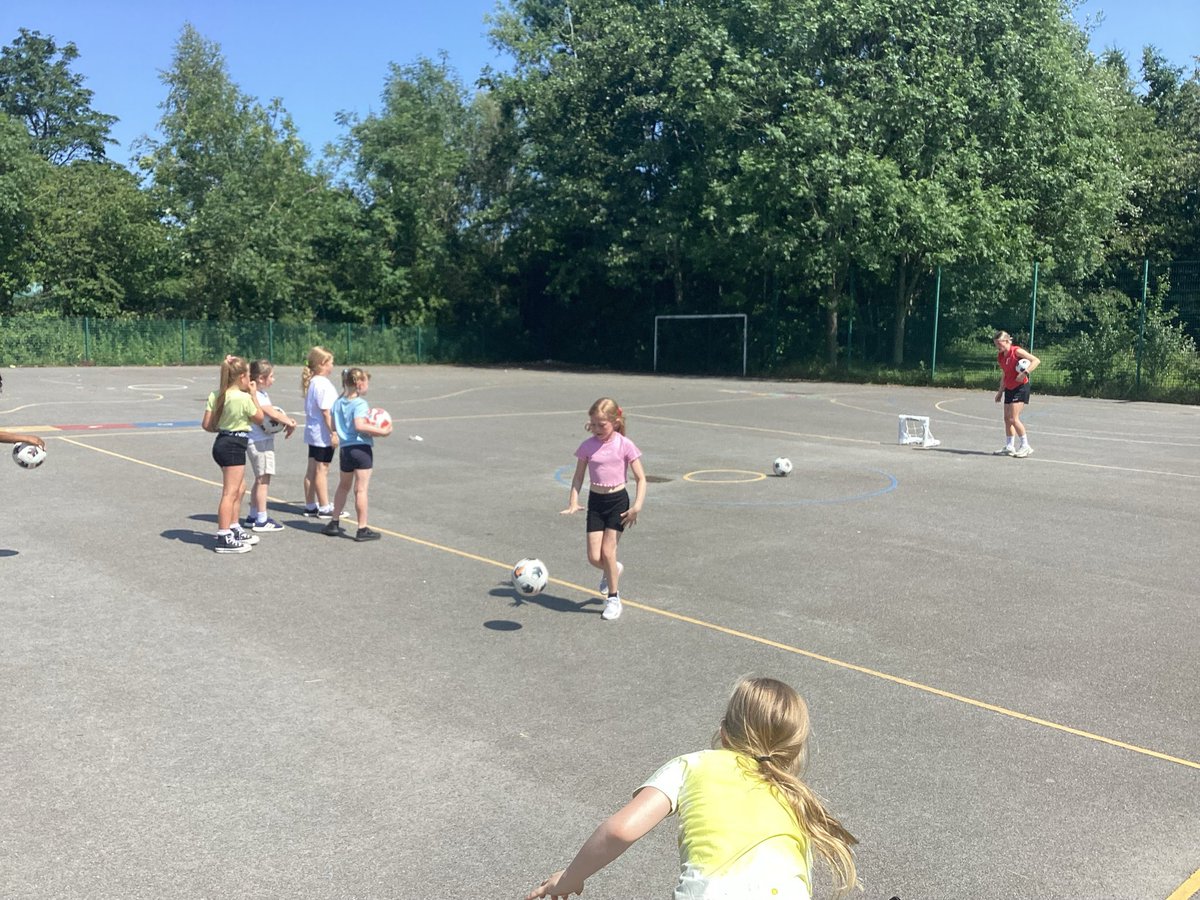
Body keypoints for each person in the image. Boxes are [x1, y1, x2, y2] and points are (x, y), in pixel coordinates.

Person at [526, 677, 859, 900]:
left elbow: (619, 830)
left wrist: (570, 878)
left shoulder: (693, 765)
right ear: (795, 749)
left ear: (725, 731)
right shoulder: (799, 802)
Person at [561, 398, 646, 621]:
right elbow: (579, 476)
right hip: (596, 502)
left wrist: (637, 506)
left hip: (618, 501)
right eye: (594, 424)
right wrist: (573, 500)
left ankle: (614, 598)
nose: (597, 429)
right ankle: (613, 570)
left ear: (615, 423)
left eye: (602, 425)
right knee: (593, 557)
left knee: (608, 552)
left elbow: (641, 478)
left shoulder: (624, 444)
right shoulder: (587, 446)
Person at [202, 356, 265, 554]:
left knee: (240, 487)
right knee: (230, 492)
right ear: (241, 377)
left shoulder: (217, 394)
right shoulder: (243, 397)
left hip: (222, 442)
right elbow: (260, 418)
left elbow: (207, 424)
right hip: (235, 445)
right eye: (248, 377)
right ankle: (223, 536)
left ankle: (234, 527)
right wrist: (254, 394)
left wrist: (224, 429)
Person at [322, 367, 392, 542]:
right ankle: (362, 528)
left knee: (343, 486)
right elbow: (359, 426)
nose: (368, 386)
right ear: (360, 384)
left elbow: (333, 425)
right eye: (367, 382)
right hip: (361, 449)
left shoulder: (338, 403)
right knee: (360, 489)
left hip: (345, 450)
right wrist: (381, 431)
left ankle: (334, 522)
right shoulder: (360, 403)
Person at [240, 359, 297, 533]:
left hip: (258, 439)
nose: (274, 379)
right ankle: (262, 520)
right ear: (262, 378)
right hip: (259, 441)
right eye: (271, 376)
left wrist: (284, 421)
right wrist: (289, 422)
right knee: (264, 479)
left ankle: (253, 515)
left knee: (260, 478)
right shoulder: (256, 393)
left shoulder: (258, 392)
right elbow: (270, 412)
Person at [301, 346, 340, 518]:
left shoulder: (313, 382)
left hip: (313, 432)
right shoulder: (323, 384)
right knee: (322, 469)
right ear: (323, 364)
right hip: (322, 433)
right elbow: (326, 411)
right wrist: (334, 432)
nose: (333, 365)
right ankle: (324, 507)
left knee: (312, 469)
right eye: (331, 362)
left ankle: (310, 504)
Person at [992, 330, 1041, 458]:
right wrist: (1000, 392)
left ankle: (1026, 446)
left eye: (999, 343)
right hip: (1009, 388)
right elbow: (1005, 374)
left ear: (1007, 341)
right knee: (1007, 419)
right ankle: (1009, 446)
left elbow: (1036, 360)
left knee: (1014, 418)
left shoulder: (1017, 351)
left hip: (1020, 388)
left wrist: (1024, 373)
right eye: (996, 344)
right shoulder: (1001, 356)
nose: (998, 346)